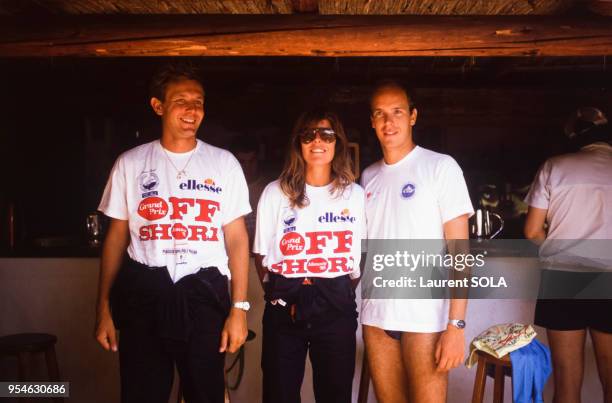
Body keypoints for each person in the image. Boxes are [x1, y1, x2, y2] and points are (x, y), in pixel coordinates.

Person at [94, 63, 251, 403]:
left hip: (204, 295)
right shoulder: (131, 163)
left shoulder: (223, 163)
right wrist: (103, 307)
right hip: (144, 294)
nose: (192, 110)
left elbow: (237, 239)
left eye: (199, 101)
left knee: (206, 394)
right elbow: (117, 238)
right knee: (141, 393)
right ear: (158, 106)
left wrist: (239, 308)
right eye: (182, 100)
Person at [360, 81, 474, 402]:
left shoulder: (440, 167)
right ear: (372, 121)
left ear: (412, 116)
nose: (388, 122)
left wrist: (456, 325)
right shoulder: (368, 177)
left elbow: (460, 251)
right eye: (380, 114)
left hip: (425, 317)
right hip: (376, 317)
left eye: (397, 112)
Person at [253, 108, 365, 403]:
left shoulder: (354, 195)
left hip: (336, 308)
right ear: (298, 143)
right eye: (309, 134)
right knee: (279, 394)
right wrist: (287, 290)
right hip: (283, 307)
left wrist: (326, 288)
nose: (318, 141)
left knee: (335, 394)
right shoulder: (274, 193)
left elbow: (360, 255)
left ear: (337, 142)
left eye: (326, 134)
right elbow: (261, 255)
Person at [524, 106, 612, 403]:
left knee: (566, 381)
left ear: (573, 134)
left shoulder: (555, 166)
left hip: (563, 278)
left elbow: (532, 232)